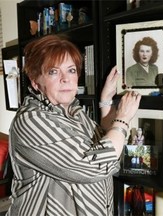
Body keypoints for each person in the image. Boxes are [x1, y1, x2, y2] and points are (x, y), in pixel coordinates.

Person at [6, 34, 141, 216]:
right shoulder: (30, 120)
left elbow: (104, 145)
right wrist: (123, 119)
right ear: (36, 81)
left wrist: (106, 101)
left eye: (71, 70)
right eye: (53, 71)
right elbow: (96, 166)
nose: (65, 78)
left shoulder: (73, 111)